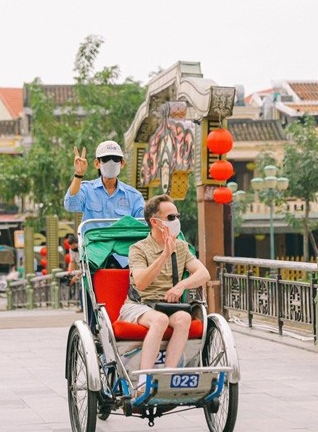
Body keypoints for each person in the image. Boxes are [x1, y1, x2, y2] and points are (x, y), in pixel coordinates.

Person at [119, 194, 210, 394]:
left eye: (177, 216)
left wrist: (180, 286)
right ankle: (144, 379)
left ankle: (169, 375)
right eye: (170, 217)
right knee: (159, 320)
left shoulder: (181, 246)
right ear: (154, 222)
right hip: (139, 305)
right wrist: (164, 255)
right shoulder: (138, 249)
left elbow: (204, 273)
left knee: (185, 318)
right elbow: (141, 282)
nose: (176, 221)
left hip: (168, 305)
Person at [64, 141, 145, 225]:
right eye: (106, 159)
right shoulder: (87, 189)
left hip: (120, 238)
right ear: (97, 163)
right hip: (92, 238)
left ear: (122, 163)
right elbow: (70, 205)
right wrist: (78, 174)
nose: (111, 163)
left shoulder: (134, 196)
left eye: (115, 159)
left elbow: (143, 225)